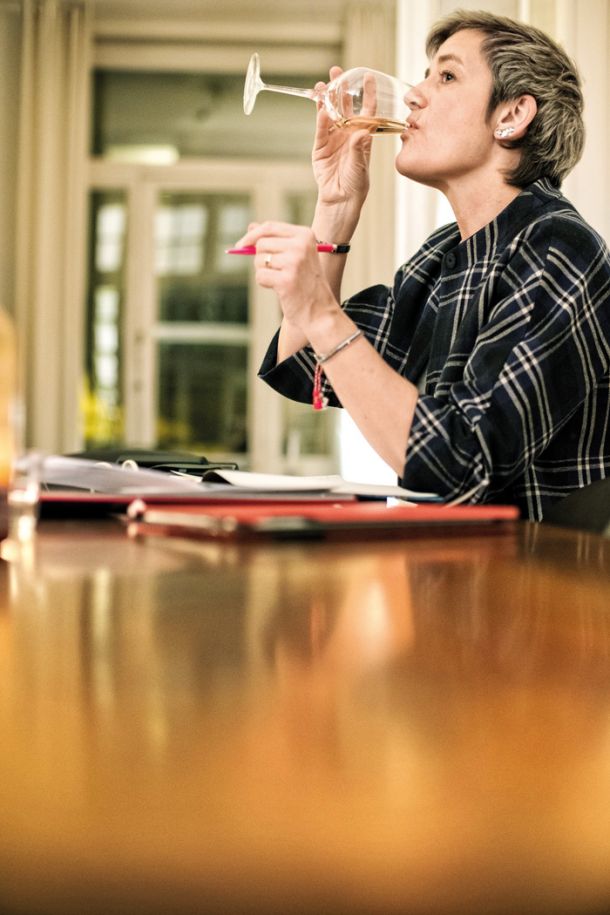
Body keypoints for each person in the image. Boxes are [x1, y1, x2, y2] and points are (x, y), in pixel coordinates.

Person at [236, 9, 610, 520]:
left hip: (532, 588)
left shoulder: (558, 249)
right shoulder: (443, 255)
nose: (414, 93)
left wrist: (323, 313)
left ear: (512, 116)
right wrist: (336, 209)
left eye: (447, 75)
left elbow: (459, 468)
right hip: (446, 578)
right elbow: (312, 365)